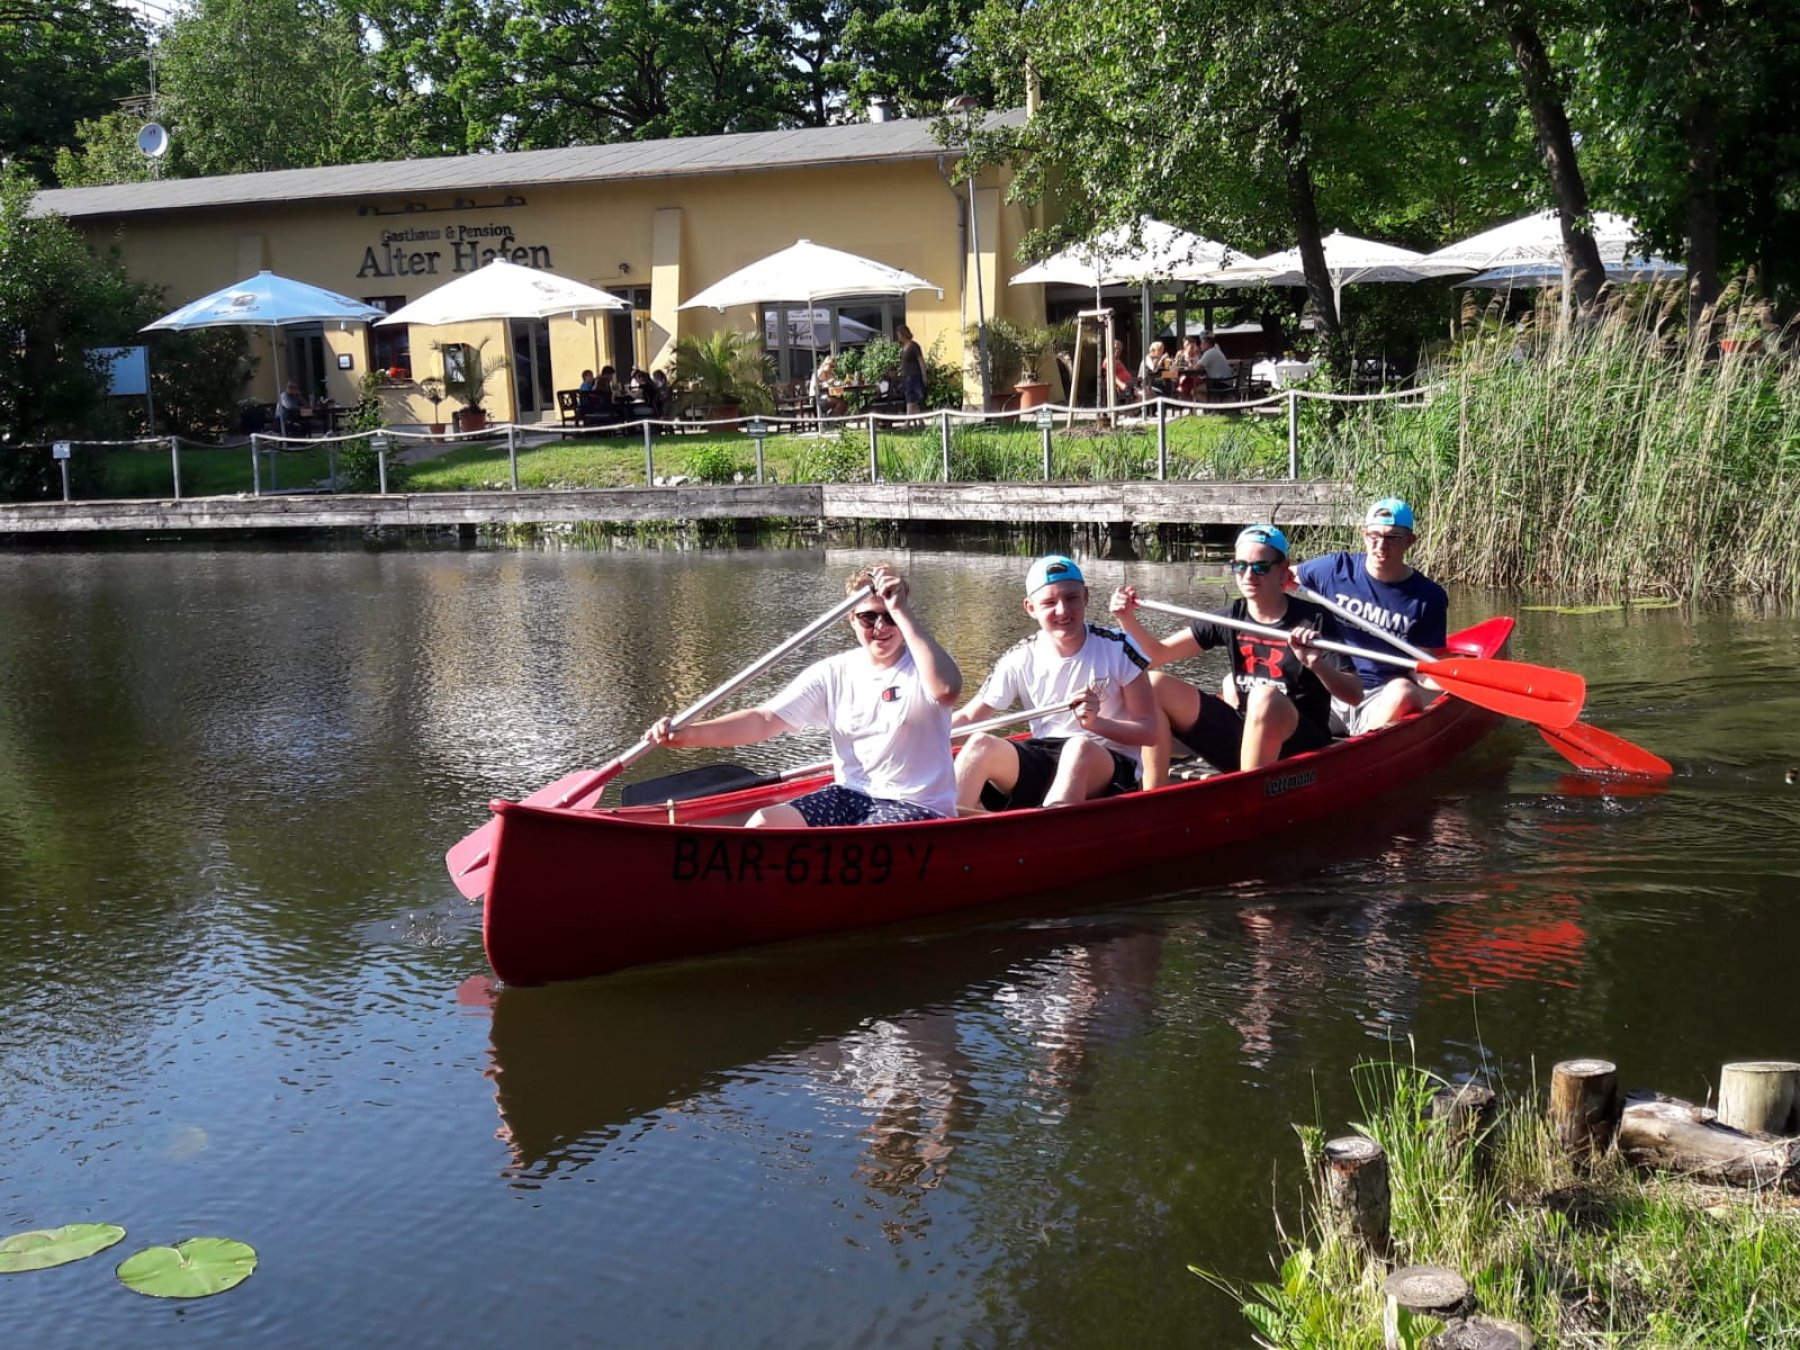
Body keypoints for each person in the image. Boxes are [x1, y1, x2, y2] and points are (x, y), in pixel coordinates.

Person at [647, 563, 961, 827]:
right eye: (869, 617)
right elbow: (764, 720)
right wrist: (687, 735)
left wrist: (901, 608)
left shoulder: (924, 663)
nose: (881, 626)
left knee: (852, 838)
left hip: (918, 806)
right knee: (764, 822)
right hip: (851, 795)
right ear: (851, 618)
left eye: (890, 617)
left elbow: (947, 691)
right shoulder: (833, 672)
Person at [1109, 525, 1363, 784]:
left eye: (1260, 567)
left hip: (1300, 740)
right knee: (1154, 684)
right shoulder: (1231, 617)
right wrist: (1126, 619)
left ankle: (1247, 797)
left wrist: (1317, 664)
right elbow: (1156, 655)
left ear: (1283, 570)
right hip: (1248, 731)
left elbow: (1354, 695)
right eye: (1240, 566)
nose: (1249, 575)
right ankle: (1154, 797)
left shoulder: (1315, 619)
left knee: (1264, 696)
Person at [952, 555, 1157, 812]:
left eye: (1071, 598)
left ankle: (1048, 833)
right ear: (1030, 608)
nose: (1062, 611)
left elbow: (1149, 731)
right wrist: (918, 733)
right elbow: (970, 717)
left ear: (1086, 596)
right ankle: (941, 830)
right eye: (1049, 602)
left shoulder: (1119, 647)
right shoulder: (1019, 657)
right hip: (1048, 757)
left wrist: (1096, 723)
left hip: (1111, 765)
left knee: (1078, 746)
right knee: (979, 745)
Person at [1294, 497, 1449, 733]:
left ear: (1410, 541)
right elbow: (1278, 578)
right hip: (1330, 685)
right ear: (1364, 534)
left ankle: (1359, 749)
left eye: (1392, 537)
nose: (1380, 545)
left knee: (1403, 691)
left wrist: (1448, 685)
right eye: (1373, 535)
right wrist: (1253, 570)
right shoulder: (1333, 569)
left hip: (1381, 698)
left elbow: (1419, 666)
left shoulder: (1429, 597)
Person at [896, 324, 927, 415]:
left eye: (899, 334)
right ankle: (921, 422)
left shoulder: (914, 346)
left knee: (910, 398)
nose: (898, 337)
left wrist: (924, 375)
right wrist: (898, 371)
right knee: (912, 399)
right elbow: (903, 363)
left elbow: (921, 361)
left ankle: (908, 421)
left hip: (913, 375)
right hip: (905, 376)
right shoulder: (903, 347)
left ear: (903, 334)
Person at [1197, 332, 1235, 399]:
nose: (1200, 345)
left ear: (1206, 343)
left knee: (1194, 391)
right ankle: (1214, 405)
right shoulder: (1216, 351)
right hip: (1226, 381)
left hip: (1221, 384)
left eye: (1201, 343)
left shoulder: (1209, 353)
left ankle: (1212, 407)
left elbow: (1197, 368)